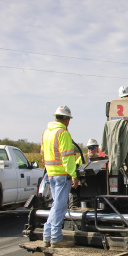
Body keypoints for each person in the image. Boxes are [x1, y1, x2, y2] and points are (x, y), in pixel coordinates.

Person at [41, 105, 79, 247]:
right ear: (66, 119)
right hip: (62, 175)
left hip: (51, 174)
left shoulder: (46, 133)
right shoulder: (62, 133)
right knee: (60, 206)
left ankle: (47, 235)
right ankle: (56, 238)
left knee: (55, 205)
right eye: (69, 119)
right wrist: (74, 175)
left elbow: (43, 153)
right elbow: (67, 158)